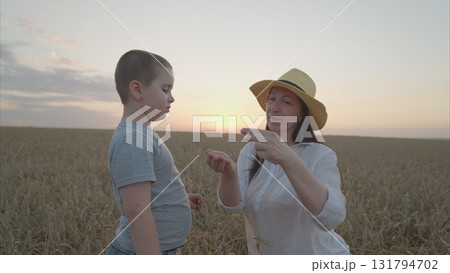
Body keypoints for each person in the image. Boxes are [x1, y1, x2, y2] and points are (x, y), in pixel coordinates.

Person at [205, 68, 349, 254]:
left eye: (286, 102)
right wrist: (229, 174)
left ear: (301, 115)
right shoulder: (251, 150)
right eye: (272, 99)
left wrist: (287, 158)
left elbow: (332, 217)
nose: (274, 107)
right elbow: (233, 205)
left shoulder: (320, 155)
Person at [106, 49, 203, 255]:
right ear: (137, 90)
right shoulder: (132, 140)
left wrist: (178, 198)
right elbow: (137, 210)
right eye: (165, 89)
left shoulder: (141, 134)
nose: (172, 98)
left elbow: (148, 192)